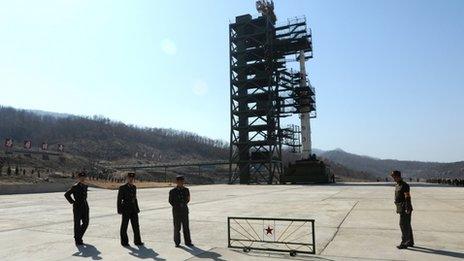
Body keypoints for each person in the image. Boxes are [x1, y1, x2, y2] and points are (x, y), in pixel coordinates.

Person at [117, 172, 143, 246]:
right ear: (127, 178)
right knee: (124, 225)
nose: (131, 179)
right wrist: (119, 210)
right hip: (125, 209)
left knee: (136, 225)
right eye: (129, 178)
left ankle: (137, 241)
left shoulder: (134, 187)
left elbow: (135, 199)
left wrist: (137, 208)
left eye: (132, 178)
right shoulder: (122, 188)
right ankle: (124, 242)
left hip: (134, 209)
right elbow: (119, 200)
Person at [390, 170, 414, 249]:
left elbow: (407, 197)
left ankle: (404, 242)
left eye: (394, 177)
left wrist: (408, 207)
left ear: (398, 176)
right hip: (400, 207)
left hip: (405, 207)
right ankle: (410, 241)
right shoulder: (397, 185)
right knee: (407, 224)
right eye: (393, 177)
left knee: (403, 225)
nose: (393, 178)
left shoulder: (405, 185)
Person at [64, 171, 89, 245]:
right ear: (78, 178)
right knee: (77, 223)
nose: (82, 178)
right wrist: (72, 202)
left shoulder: (85, 186)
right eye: (81, 177)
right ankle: (78, 239)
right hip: (77, 206)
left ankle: (78, 236)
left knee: (86, 223)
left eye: (84, 177)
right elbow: (66, 194)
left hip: (85, 206)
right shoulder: (75, 187)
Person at [169, 175, 193, 247]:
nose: (180, 183)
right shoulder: (172, 191)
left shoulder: (186, 190)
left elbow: (188, 199)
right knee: (177, 227)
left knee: (186, 227)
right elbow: (170, 201)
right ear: (176, 182)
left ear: (183, 182)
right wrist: (177, 206)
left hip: (184, 211)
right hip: (176, 211)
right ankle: (177, 242)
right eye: (179, 181)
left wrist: (183, 204)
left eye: (182, 181)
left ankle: (188, 242)